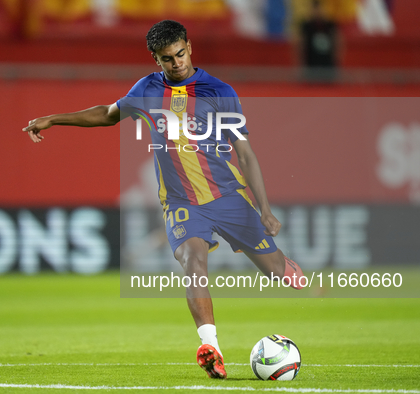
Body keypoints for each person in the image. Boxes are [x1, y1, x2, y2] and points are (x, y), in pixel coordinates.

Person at [23, 19, 305, 380]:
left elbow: (245, 153)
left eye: (180, 54)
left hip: (227, 197)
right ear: (155, 59)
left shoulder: (219, 91)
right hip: (181, 203)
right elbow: (108, 115)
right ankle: (211, 347)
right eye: (167, 58)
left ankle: (295, 274)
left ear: (189, 45)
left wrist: (264, 209)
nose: (176, 63)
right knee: (193, 261)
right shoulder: (145, 90)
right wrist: (54, 119)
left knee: (279, 272)